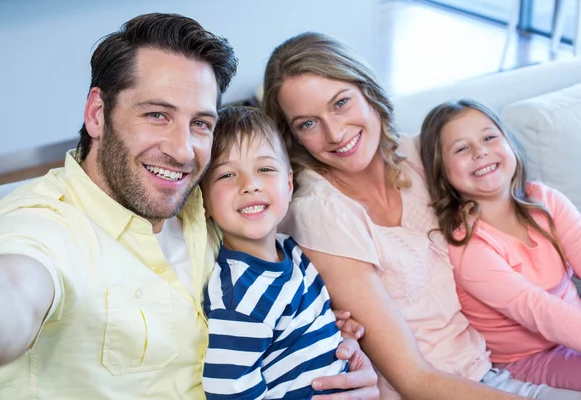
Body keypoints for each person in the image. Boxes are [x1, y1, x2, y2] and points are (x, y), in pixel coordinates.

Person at [0, 15, 377, 399]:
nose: (182, 149)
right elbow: (11, 293)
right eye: (157, 115)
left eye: (201, 123)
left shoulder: (207, 203)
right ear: (98, 114)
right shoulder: (47, 225)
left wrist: (335, 356)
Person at [261, 31, 581, 400]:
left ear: (368, 92)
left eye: (341, 103)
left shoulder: (420, 155)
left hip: (506, 361)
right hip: (452, 387)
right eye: (308, 123)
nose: (335, 133)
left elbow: (516, 214)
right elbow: (414, 379)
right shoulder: (321, 212)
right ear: (294, 136)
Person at [419, 99, 581, 390]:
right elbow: (537, 309)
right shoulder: (466, 245)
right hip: (529, 357)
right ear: (442, 172)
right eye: (461, 148)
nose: (480, 151)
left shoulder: (547, 200)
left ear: (510, 144)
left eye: (489, 137)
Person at [200, 105, 355, 399]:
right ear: (204, 202)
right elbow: (230, 393)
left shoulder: (292, 251)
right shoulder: (238, 298)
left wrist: (335, 329)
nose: (250, 185)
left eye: (265, 169)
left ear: (288, 182)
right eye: (227, 175)